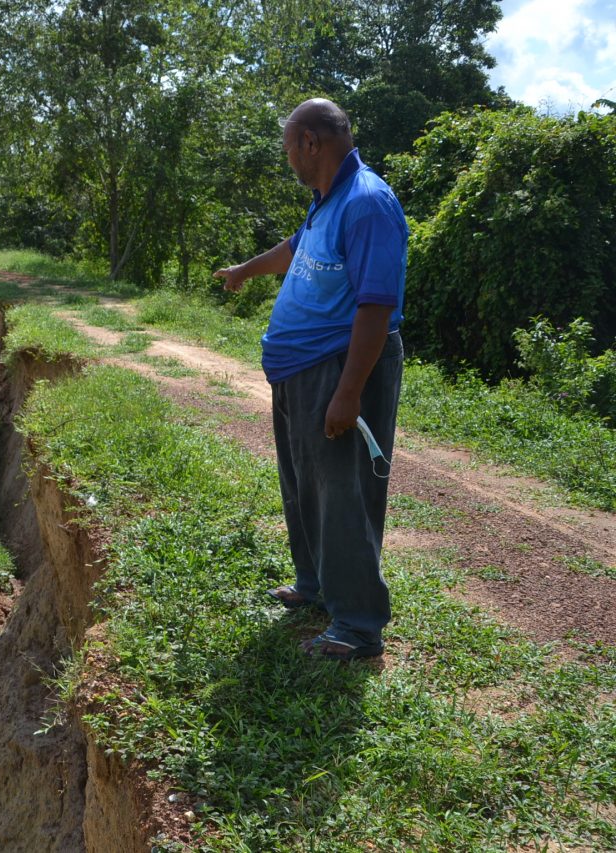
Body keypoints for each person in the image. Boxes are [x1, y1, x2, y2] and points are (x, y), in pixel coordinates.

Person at [213, 98, 407, 661]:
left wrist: (348, 393)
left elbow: (375, 307)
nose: (286, 158)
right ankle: (316, 585)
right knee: (303, 482)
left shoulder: (367, 203)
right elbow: (296, 250)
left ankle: (357, 625)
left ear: (310, 144)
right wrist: (246, 270)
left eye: (288, 147)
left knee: (342, 491)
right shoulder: (327, 202)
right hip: (301, 370)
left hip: (341, 365)